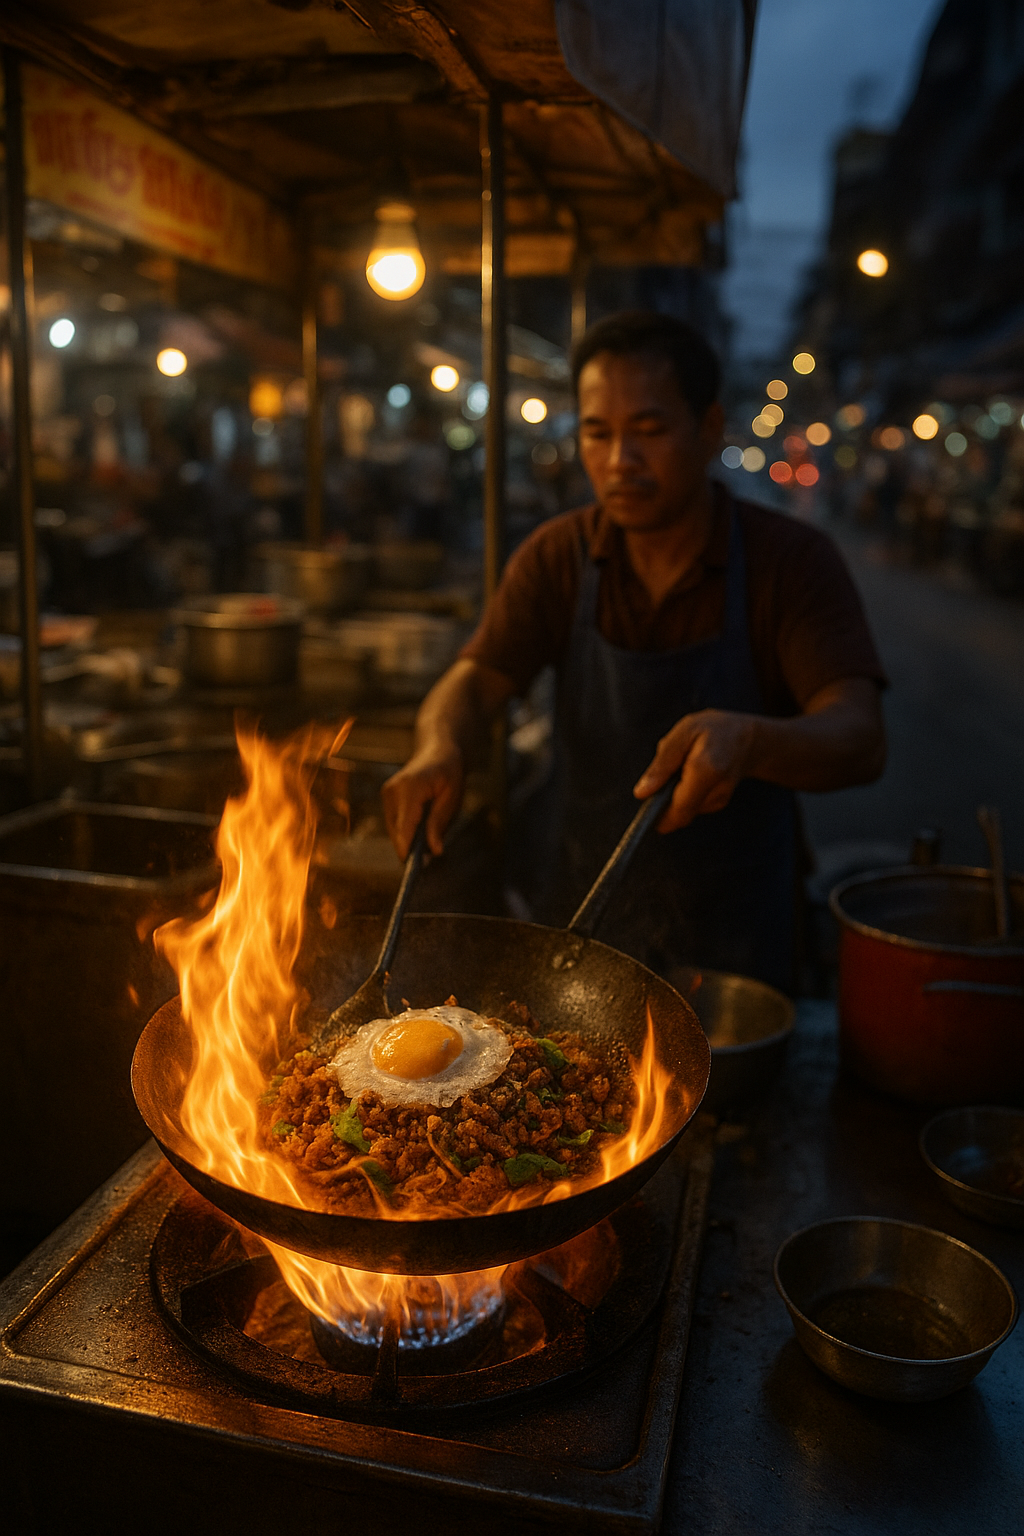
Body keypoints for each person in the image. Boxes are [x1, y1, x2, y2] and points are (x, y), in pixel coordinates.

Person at [382, 312, 886, 990]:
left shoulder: (789, 563)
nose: (620, 460)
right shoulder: (558, 556)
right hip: (580, 915)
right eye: (598, 433)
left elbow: (859, 736)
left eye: (648, 432)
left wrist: (750, 740)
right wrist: (438, 745)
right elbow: (475, 681)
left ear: (709, 430)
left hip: (734, 940)